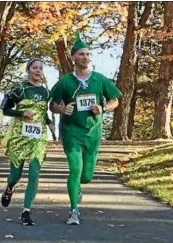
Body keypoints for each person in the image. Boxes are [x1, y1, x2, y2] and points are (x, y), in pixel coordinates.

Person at [50, 34, 122, 225]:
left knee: (87, 176)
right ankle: (74, 211)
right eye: (82, 54)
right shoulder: (65, 82)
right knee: (75, 168)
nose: (86, 57)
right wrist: (62, 109)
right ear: (73, 57)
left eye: (88, 54)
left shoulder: (100, 80)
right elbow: (53, 105)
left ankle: (78, 189)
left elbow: (114, 100)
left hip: (93, 132)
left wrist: (103, 108)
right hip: (71, 131)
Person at [0, 58, 53, 226]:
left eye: (41, 68)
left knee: (34, 174)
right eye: (35, 68)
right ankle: (9, 188)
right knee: (15, 175)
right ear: (28, 70)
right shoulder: (19, 88)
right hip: (19, 136)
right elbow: (5, 109)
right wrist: (21, 114)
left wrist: (48, 122)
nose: (38, 71)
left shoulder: (45, 91)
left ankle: (26, 212)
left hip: (38, 138)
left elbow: (43, 112)